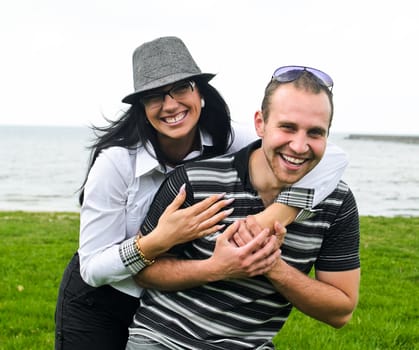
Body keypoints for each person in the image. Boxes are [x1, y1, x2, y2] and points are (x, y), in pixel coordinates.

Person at [54, 35, 348, 350]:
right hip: (101, 300)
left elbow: (332, 156)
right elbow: (92, 269)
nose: (170, 105)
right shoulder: (116, 162)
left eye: (182, 88)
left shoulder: (227, 138)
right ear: (142, 107)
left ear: (201, 93)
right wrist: (156, 241)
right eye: (154, 96)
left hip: (164, 302)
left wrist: (275, 214)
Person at [125, 65, 361, 350]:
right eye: (287, 127)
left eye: (315, 133)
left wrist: (273, 267)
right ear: (260, 123)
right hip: (165, 339)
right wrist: (216, 268)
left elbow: (340, 311)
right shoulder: (193, 181)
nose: (299, 146)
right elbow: (143, 271)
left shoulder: (338, 203)